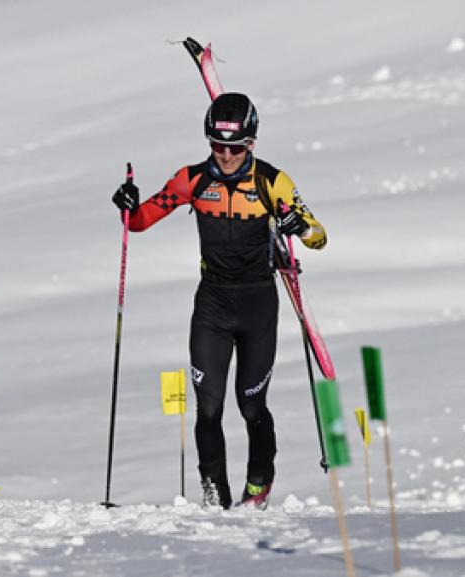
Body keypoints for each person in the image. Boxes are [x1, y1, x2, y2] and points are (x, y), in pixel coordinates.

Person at [112, 93, 326, 510]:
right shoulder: (190, 180)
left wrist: (299, 226)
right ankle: (215, 495)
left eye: (235, 147)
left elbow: (319, 237)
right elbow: (139, 222)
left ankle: (258, 486)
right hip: (212, 305)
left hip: (258, 304)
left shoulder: (271, 182)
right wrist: (126, 206)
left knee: (251, 405)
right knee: (208, 407)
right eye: (217, 146)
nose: (225, 156)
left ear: (251, 144)